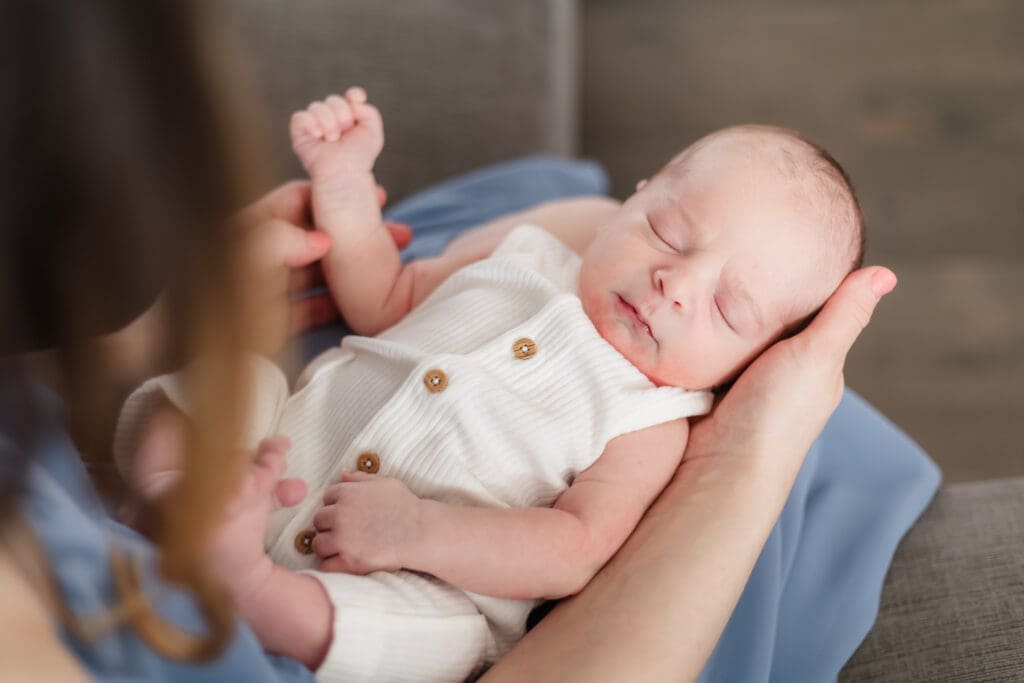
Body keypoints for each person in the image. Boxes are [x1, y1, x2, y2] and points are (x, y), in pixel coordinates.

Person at [1, 2, 934, 682]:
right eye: (670, 234)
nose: (673, 285)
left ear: (753, 360)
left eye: (730, 312)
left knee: (443, 635)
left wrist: (422, 530)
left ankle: (251, 584)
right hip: (280, 453)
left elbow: (572, 547)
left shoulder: (653, 420)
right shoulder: (525, 255)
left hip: (407, 565)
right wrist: (346, 188)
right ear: (637, 195)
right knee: (233, 373)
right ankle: (173, 495)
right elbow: (381, 295)